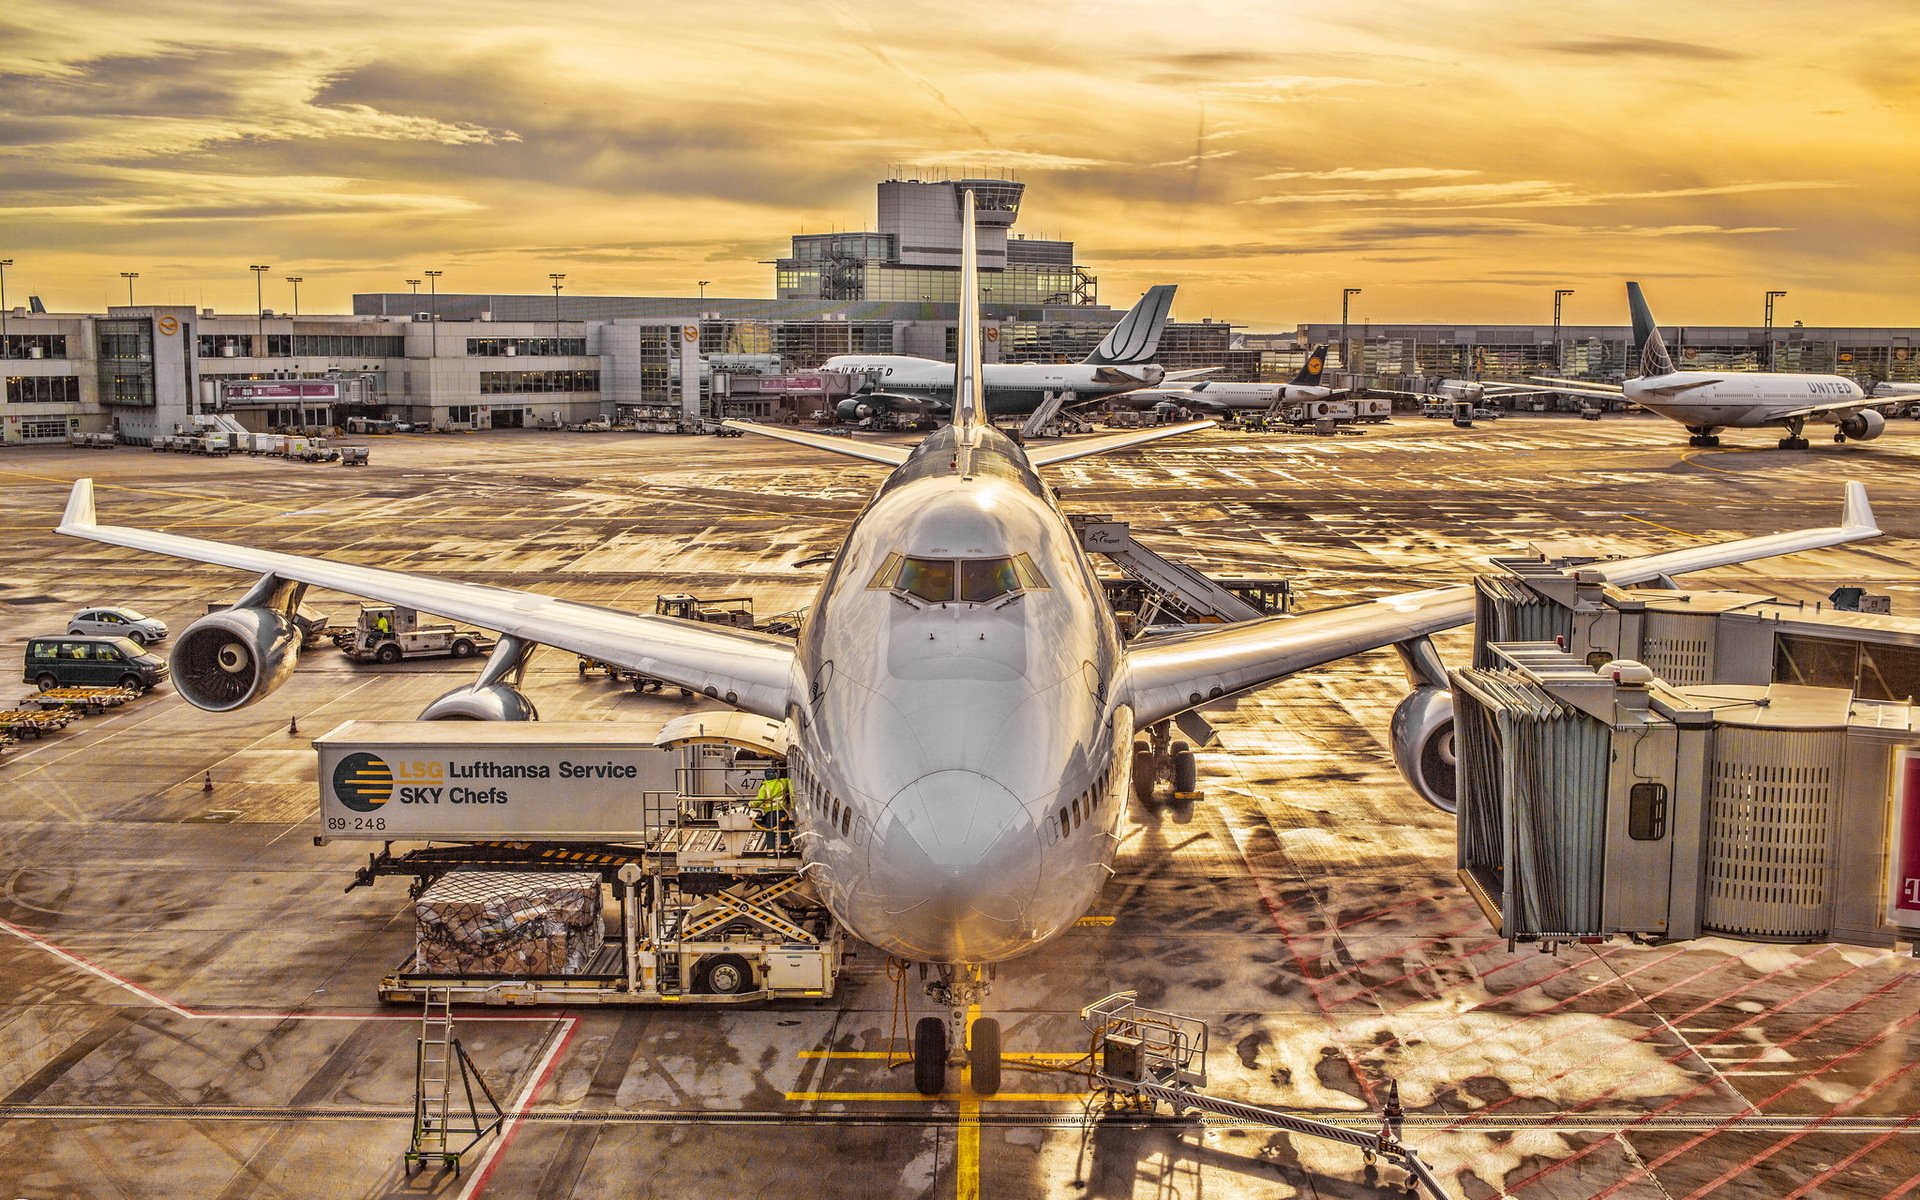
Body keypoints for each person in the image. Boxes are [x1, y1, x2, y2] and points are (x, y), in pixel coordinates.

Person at [751, 767, 793, 853]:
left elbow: (759, 800)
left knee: (770, 831)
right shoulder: (782, 783)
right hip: (782, 811)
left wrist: (750, 804)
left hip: (770, 813)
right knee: (784, 830)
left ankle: (771, 851)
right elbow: (789, 781)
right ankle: (785, 848)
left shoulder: (764, 787)